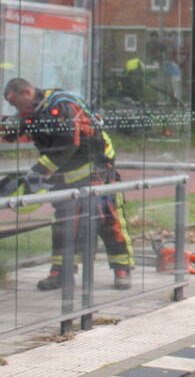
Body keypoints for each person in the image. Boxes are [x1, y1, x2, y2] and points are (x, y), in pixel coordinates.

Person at [2, 78, 134, 291]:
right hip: (64, 175)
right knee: (63, 225)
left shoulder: (62, 105)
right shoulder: (33, 112)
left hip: (96, 170)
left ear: (25, 93)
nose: (15, 108)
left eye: (15, 102)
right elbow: (11, 132)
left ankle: (122, 268)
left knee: (108, 219)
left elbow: (68, 143)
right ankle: (61, 273)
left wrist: (38, 173)